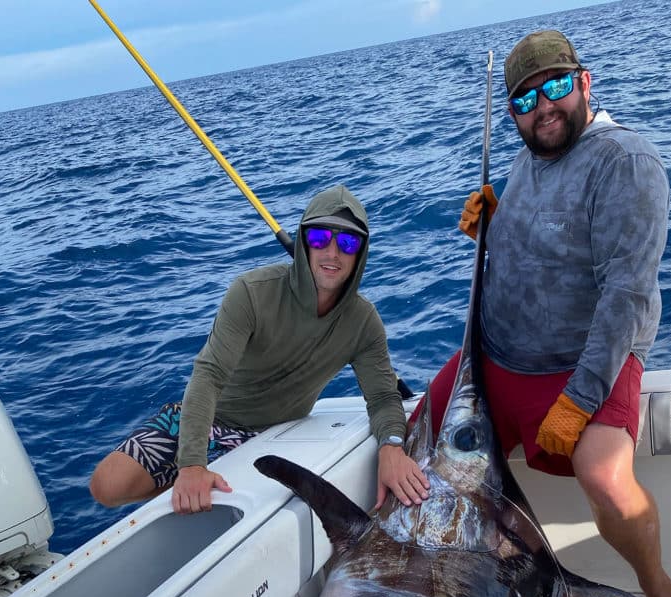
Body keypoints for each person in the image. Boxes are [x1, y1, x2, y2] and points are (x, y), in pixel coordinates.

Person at [417, 30, 671, 597]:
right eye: (524, 99)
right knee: (416, 443)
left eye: (555, 86)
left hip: (585, 360)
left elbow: (625, 297)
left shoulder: (625, 161)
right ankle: (450, 577)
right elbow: (536, 251)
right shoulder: (526, 159)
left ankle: (656, 583)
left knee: (604, 476)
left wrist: (579, 398)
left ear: (585, 82)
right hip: (497, 355)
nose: (542, 106)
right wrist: (491, 227)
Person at [90, 185, 430, 514]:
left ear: (361, 252)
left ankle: (198, 476)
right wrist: (191, 464)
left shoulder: (363, 321)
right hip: (209, 417)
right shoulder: (252, 292)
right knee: (107, 486)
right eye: (319, 238)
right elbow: (208, 374)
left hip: (274, 433)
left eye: (346, 242)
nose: (332, 253)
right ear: (304, 243)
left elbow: (384, 398)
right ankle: (185, 479)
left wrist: (392, 447)